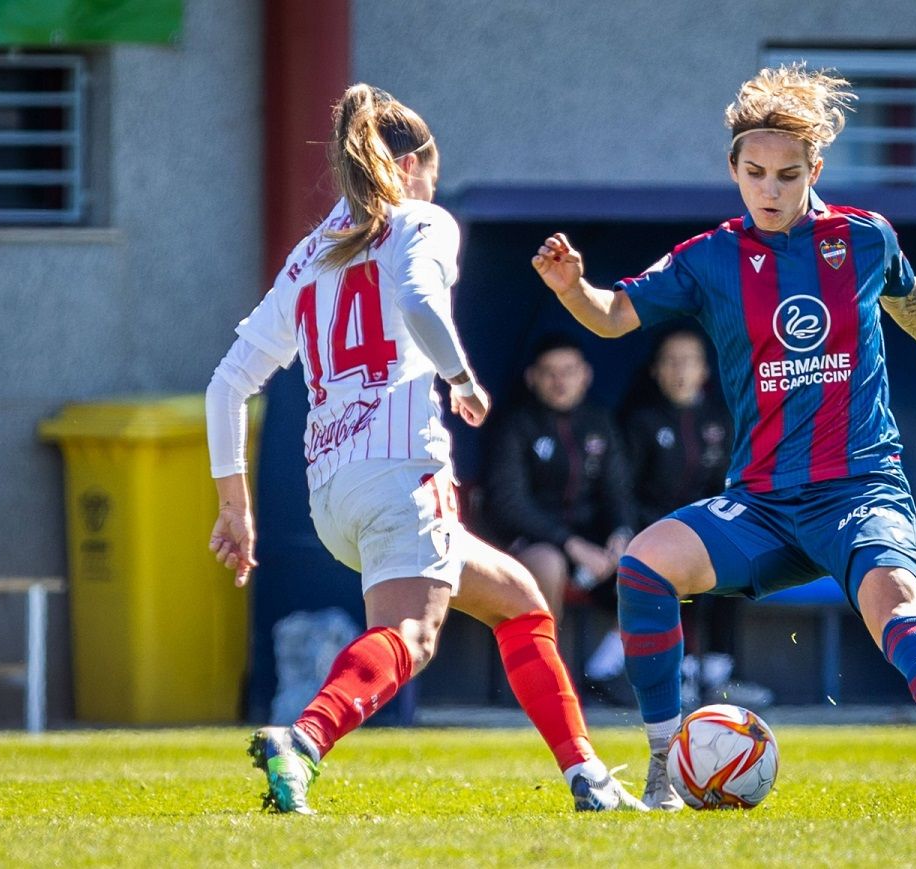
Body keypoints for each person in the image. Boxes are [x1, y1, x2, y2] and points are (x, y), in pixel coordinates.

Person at [531, 63, 916, 811]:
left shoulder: (863, 238)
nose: (770, 189)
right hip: (760, 503)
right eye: (754, 173)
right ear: (733, 170)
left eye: (787, 175)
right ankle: (665, 763)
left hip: (857, 491)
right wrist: (573, 291)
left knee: (901, 611)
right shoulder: (710, 257)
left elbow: (907, 294)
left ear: (813, 169)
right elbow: (613, 315)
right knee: (644, 566)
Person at [205, 84, 644, 814]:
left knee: (521, 600)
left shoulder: (309, 253)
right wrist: (462, 380)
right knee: (412, 633)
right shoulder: (421, 221)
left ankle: (588, 777)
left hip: (332, 490)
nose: (433, 186)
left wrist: (235, 508)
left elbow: (227, 386)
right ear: (412, 164)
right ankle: (304, 739)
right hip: (402, 470)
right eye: (432, 173)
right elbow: (415, 298)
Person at [623, 328, 773, 709]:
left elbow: (736, 484)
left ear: (704, 370)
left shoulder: (720, 420)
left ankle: (720, 676)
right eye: (671, 361)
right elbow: (623, 491)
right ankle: (681, 671)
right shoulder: (637, 420)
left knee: (739, 561)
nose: (680, 370)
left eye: (688, 361)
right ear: (655, 369)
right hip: (653, 533)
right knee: (675, 570)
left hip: (709, 529)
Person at [486, 335, 636, 700]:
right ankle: (542, 685)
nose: (560, 381)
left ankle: (611, 672)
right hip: (529, 544)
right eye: (549, 373)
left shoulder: (599, 421)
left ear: (585, 375)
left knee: (649, 562)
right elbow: (509, 505)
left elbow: (619, 493)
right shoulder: (516, 425)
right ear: (532, 378)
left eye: (568, 372)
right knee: (550, 565)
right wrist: (571, 545)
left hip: (591, 549)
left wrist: (621, 534)